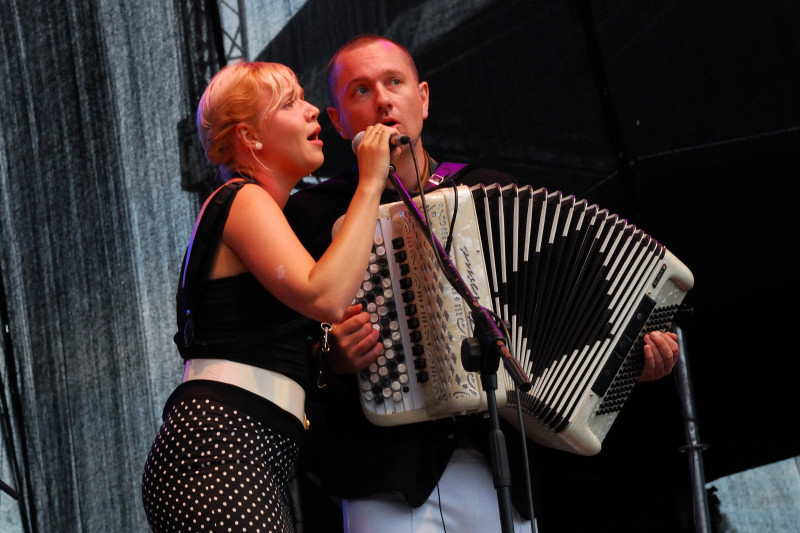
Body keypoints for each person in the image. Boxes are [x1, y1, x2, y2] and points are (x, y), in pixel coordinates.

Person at [284, 35, 681, 533]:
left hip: (498, 468)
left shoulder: (487, 189)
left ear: (422, 98)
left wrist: (626, 366)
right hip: (383, 474)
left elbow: (559, 311)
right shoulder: (310, 215)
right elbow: (283, 348)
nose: (383, 99)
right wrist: (330, 359)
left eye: (394, 82)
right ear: (338, 120)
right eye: (360, 91)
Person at [140, 60, 398, 533]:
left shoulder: (265, 214)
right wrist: (370, 182)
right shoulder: (243, 199)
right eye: (290, 103)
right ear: (248, 138)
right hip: (220, 449)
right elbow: (325, 296)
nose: (312, 111)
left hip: (246, 450)